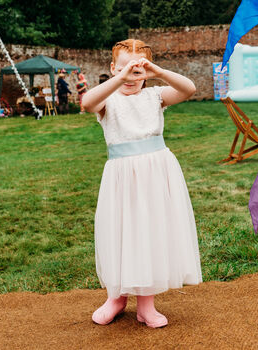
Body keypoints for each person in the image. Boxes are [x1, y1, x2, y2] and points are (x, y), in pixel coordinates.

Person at [82, 39, 202, 329]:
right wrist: (120, 78)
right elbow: (86, 103)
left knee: (150, 233)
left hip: (156, 174)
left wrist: (157, 71)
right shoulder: (108, 101)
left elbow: (189, 89)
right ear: (113, 69)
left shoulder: (156, 96)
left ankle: (146, 305)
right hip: (121, 177)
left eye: (137, 72)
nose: (130, 77)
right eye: (123, 70)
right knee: (122, 233)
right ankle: (117, 297)